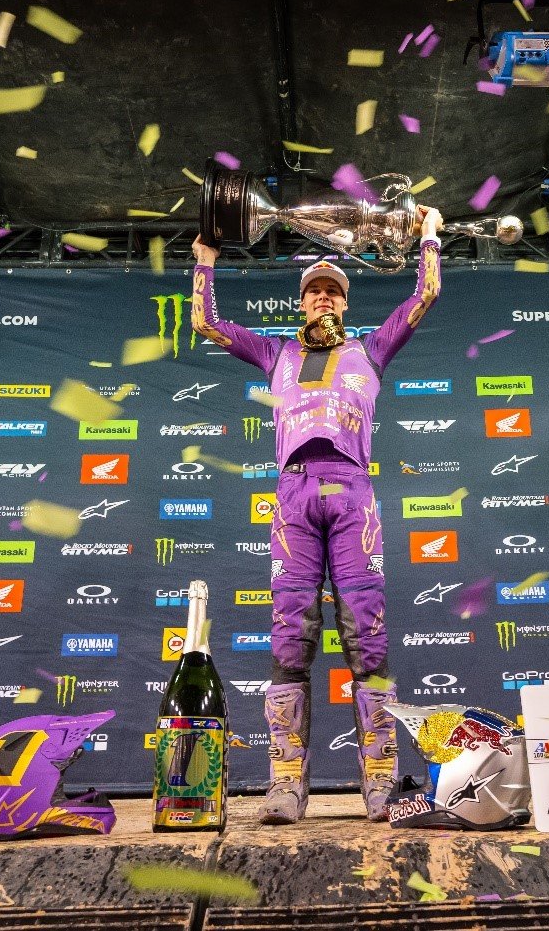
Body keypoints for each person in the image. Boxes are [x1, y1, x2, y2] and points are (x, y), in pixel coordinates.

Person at [189, 204, 444, 824]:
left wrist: (430, 236)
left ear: (344, 303)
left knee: (367, 633)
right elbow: (205, 323)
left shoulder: (371, 350)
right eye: (314, 291)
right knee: (289, 636)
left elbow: (425, 294)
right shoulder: (274, 353)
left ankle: (380, 785)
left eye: (333, 291)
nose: (324, 298)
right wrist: (204, 262)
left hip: (352, 490)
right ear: (301, 303)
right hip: (294, 495)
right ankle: (285, 787)